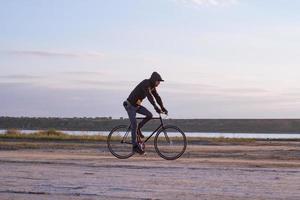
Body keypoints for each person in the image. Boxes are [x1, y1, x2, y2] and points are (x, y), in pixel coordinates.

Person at [123, 72, 168, 154]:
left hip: (137, 106)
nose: (159, 83)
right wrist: (155, 107)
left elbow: (157, 97)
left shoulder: (152, 87)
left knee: (149, 115)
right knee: (134, 125)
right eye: (158, 81)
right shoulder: (146, 83)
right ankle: (134, 146)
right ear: (154, 80)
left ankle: (139, 128)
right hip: (129, 105)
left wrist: (162, 107)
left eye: (159, 82)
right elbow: (149, 96)